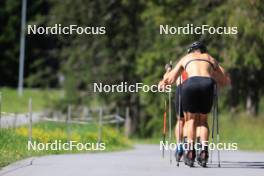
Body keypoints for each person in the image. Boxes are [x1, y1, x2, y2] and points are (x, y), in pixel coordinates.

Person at [159, 41, 230, 167]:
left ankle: (190, 151)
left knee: (190, 120)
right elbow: (224, 78)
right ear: (203, 50)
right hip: (208, 84)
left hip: (190, 84)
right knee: (203, 120)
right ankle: (203, 151)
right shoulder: (209, 58)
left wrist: (165, 77)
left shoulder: (187, 58)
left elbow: (170, 79)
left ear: (191, 51)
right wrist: (215, 81)